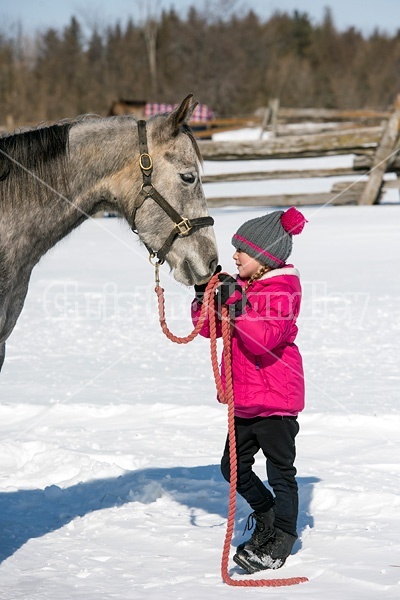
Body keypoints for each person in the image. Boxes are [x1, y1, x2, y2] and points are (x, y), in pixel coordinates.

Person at [191, 207, 307, 574]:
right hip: (243, 401)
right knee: (232, 468)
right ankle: (266, 512)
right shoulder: (241, 287)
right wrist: (203, 296)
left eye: (241, 250)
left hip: (276, 401)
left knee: (280, 472)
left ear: (265, 257)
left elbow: (263, 340)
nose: (235, 255)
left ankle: (283, 537)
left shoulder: (284, 289)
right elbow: (209, 329)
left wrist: (236, 303)